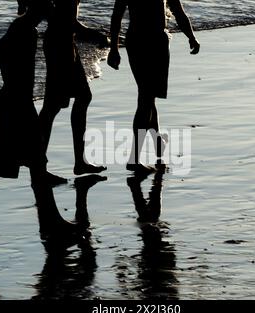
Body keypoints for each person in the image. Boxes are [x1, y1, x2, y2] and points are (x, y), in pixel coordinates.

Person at [0, 1, 81, 243]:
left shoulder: (26, 28)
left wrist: (13, 81)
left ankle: (51, 220)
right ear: (40, 7)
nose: (53, 7)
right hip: (16, 106)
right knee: (9, 165)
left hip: (17, 103)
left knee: (30, 163)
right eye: (50, 4)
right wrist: (12, 81)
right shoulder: (24, 29)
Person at [108, 0, 200, 173]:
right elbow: (117, 16)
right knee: (146, 98)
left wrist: (191, 36)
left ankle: (158, 147)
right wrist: (113, 48)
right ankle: (134, 158)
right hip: (148, 41)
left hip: (145, 40)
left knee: (148, 97)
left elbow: (178, 11)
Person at [38, 0, 108, 182]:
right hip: (59, 45)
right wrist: (96, 35)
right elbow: (67, 21)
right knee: (52, 108)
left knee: (63, 104)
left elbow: (65, 20)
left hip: (63, 42)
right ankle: (40, 167)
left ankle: (74, 162)